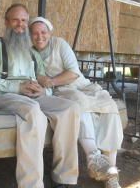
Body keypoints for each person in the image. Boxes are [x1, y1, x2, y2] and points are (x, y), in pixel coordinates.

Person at [0, 4, 81, 188]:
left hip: (33, 95)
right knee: (34, 111)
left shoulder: (33, 52)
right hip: (5, 95)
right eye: (15, 20)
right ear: (6, 22)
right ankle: (31, 185)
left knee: (70, 108)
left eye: (24, 20)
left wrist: (44, 91)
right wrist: (18, 87)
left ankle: (64, 178)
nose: (20, 24)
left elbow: (44, 81)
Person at [29, 17, 124, 188]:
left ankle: (110, 171)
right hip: (61, 91)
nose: (39, 36)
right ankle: (94, 157)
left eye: (43, 32)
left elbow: (73, 73)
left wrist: (49, 80)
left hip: (82, 85)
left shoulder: (59, 44)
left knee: (110, 107)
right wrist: (39, 77)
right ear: (30, 35)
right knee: (78, 102)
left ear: (49, 33)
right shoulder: (28, 51)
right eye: (34, 33)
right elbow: (28, 73)